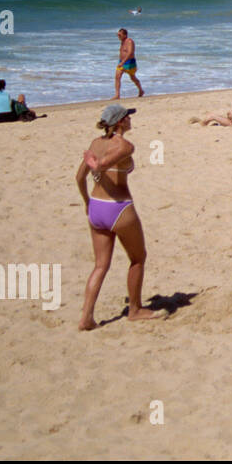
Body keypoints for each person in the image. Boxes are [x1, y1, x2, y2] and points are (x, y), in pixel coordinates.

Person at [74, 105, 158, 329]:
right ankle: (135, 309)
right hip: (118, 208)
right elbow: (103, 165)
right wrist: (97, 165)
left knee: (100, 266)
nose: (131, 119)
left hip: (96, 207)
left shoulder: (95, 143)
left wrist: (86, 202)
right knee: (138, 258)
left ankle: (86, 318)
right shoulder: (125, 145)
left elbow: (79, 177)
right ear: (120, 122)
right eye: (127, 116)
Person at [113, 28, 145, 99]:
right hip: (121, 62)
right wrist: (121, 62)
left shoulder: (129, 41)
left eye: (120, 35)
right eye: (118, 35)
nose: (118, 36)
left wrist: (123, 62)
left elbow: (130, 52)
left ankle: (141, 90)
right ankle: (117, 95)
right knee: (117, 77)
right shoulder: (122, 41)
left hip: (129, 62)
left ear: (125, 35)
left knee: (133, 78)